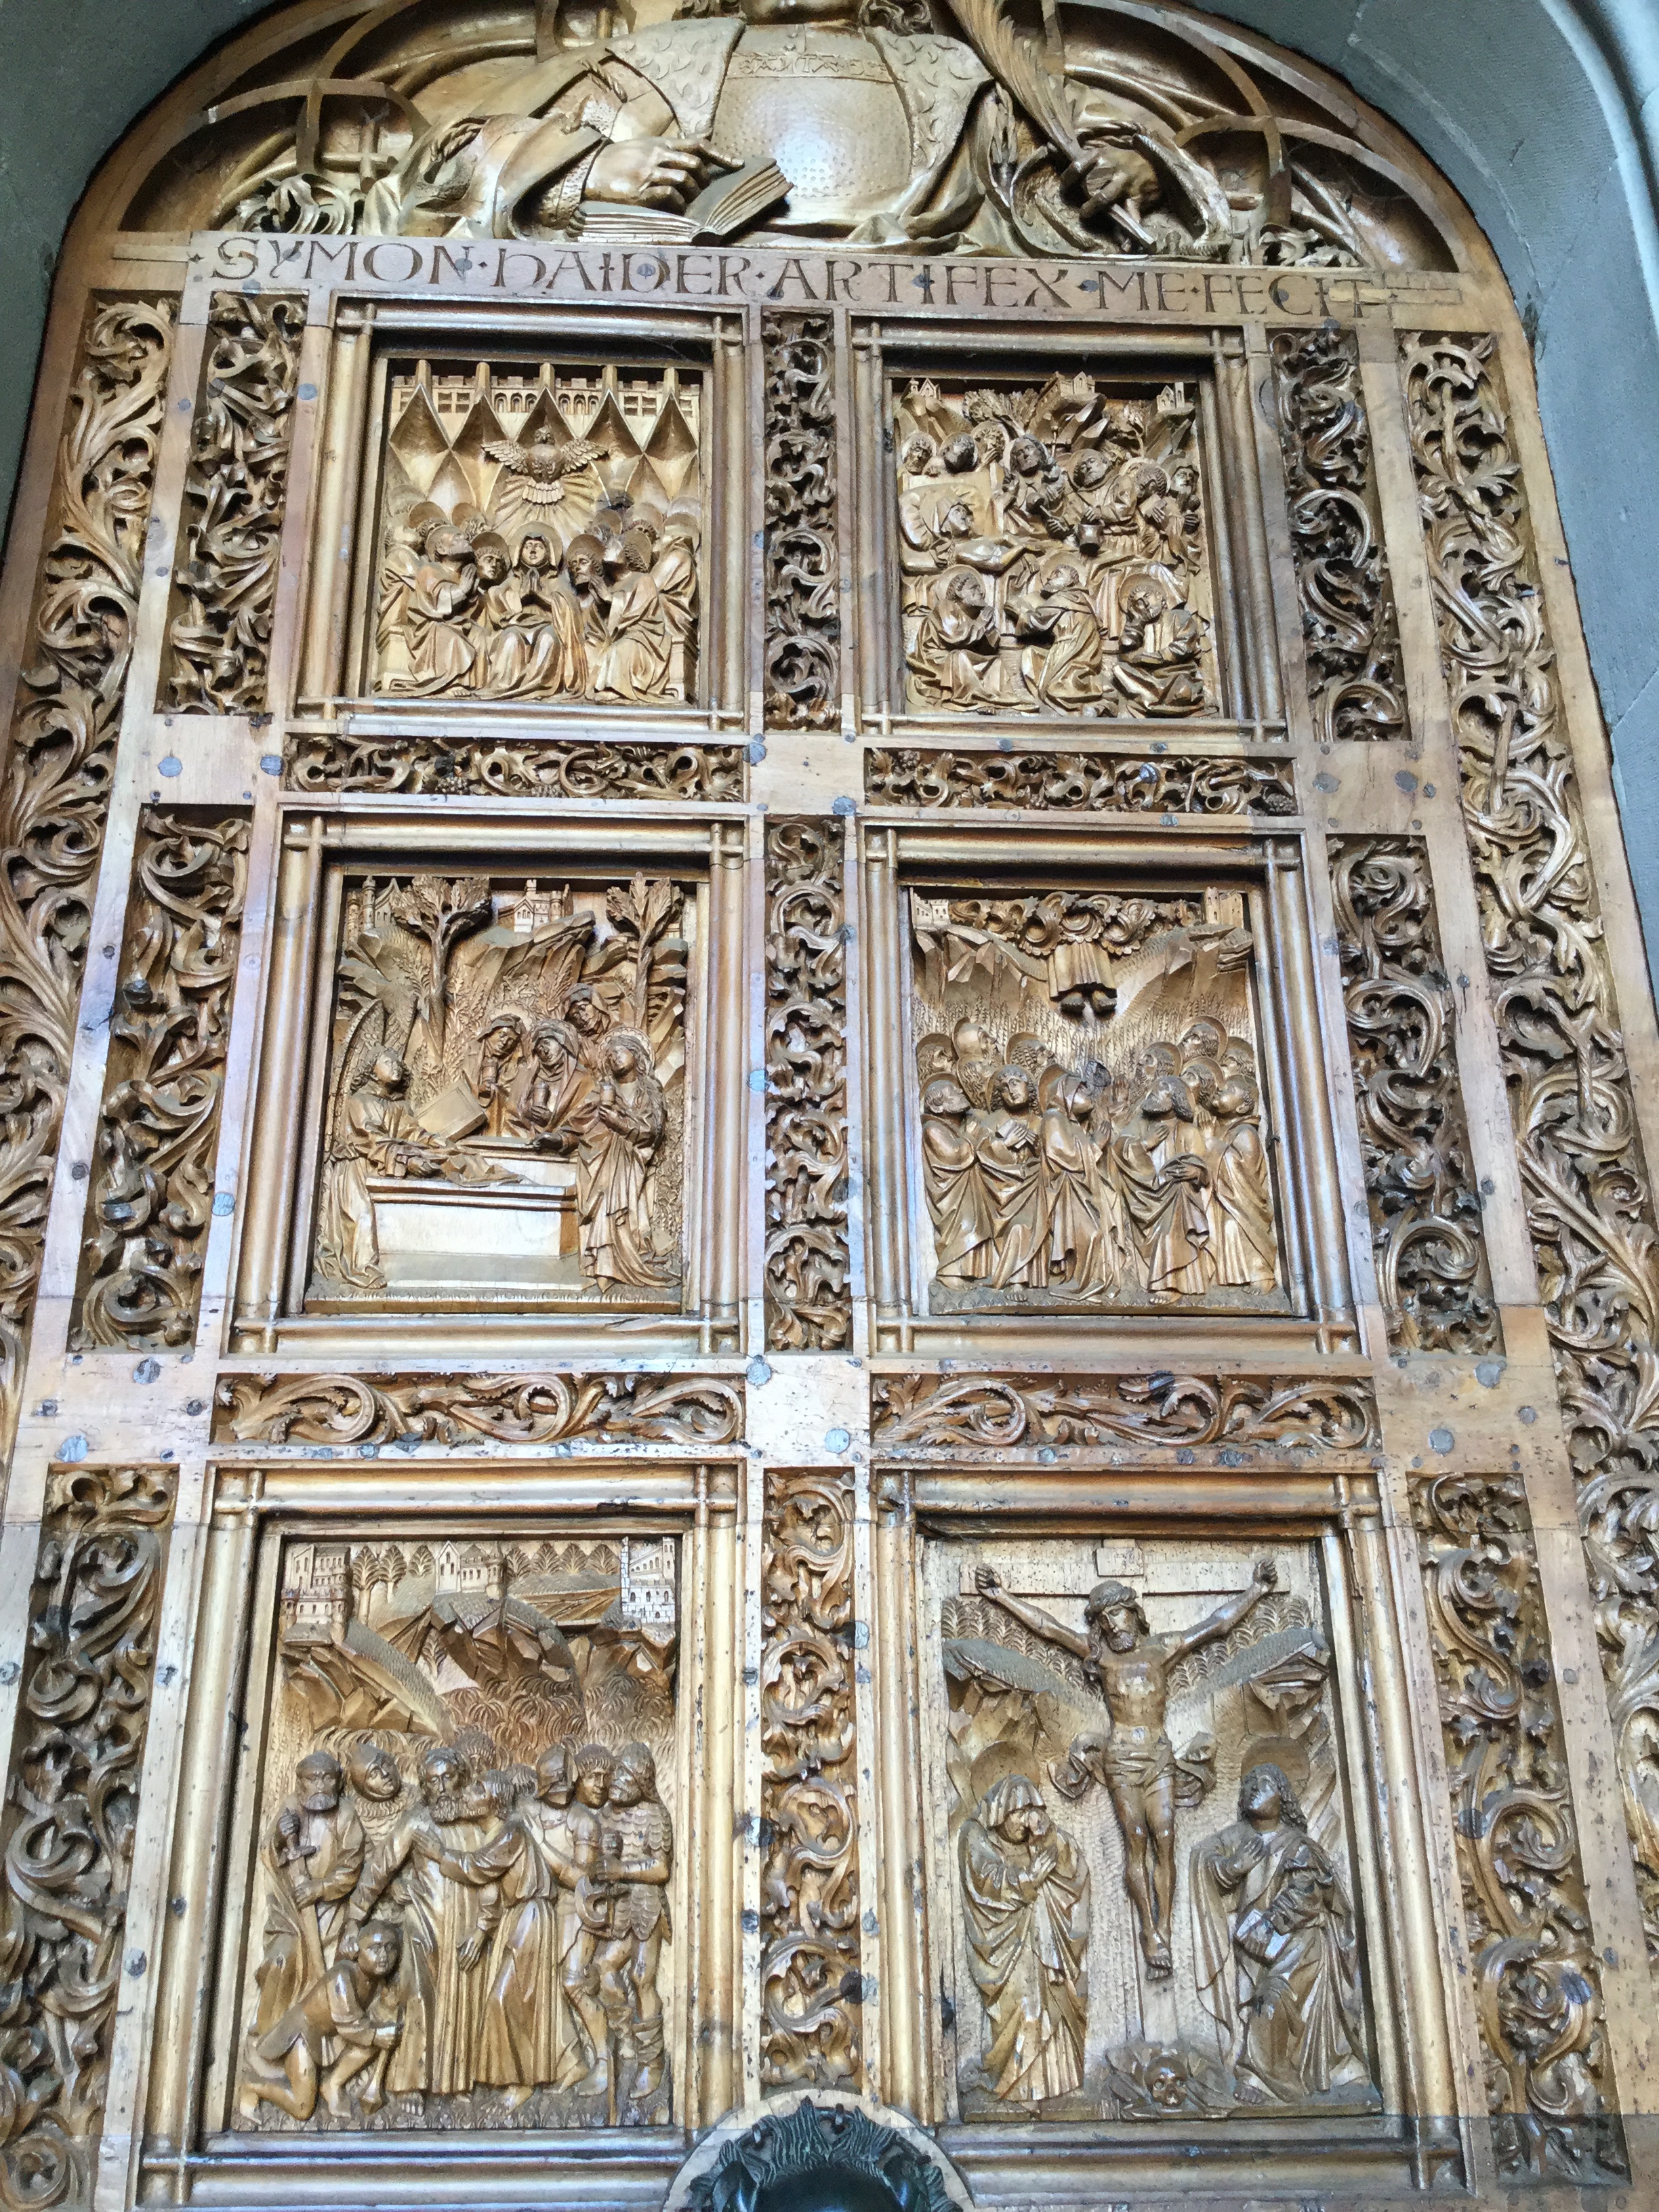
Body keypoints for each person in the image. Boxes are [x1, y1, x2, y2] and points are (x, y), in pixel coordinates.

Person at [974, 1559, 1277, 1980]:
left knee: (1165, 1839)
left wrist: (1257, 1591)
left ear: (1133, 1612)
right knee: (1137, 1841)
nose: (1112, 1626)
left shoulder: (1162, 1650)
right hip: (1120, 1760)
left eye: (1117, 1613)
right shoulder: (1100, 1657)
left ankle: (1165, 1929)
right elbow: (1048, 1628)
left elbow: (1217, 1625)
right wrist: (1001, 1596)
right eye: (1103, 1620)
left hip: (1158, 1757)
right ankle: (1148, 1931)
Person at [1191, 1763, 1369, 2103]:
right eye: (1249, 1785)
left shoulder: (1298, 1845)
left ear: (1283, 1798)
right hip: (1258, 1945)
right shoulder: (1238, 1837)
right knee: (1268, 1995)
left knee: (1272, 1997)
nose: (1253, 1790)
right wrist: (1231, 1867)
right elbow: (1203, 1855)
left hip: (1301, 1942)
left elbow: (1307, 1893)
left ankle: (1261, 2077)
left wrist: (1271, 1923)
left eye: (1265, 1784)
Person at [346, 1744, 495, 2097]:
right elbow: (380, 1868)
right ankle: (411, 2083)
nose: (442, 1788)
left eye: (448, 1778)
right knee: (417, 1995)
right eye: (433, 1781)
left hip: (466, 1926)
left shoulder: (478, 1821)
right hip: (424, 1923)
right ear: (424, 1787)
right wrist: (355, 1917)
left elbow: (494, 1876)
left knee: (465, 2001)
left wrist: (483, 1928)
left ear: (461, 1778)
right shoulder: (417, 1821)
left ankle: (458, 2081)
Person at [436, 1765, 586, 2108]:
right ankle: (570, 2062)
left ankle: (522, 2080)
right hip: (516, 1918)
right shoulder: (495, 1835)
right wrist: (482, 1931)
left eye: (477, 1790)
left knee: (506, 1999)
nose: (468, 1795)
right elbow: (491, 1890)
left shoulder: (512, 1832)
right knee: (528, 1998)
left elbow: (478, 1868)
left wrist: (439, 1853)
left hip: (530, 1917)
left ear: (494, 1800)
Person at [314, 1054, 511, 1292]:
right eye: (387, 1062)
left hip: (393, 1153)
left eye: (397, 1063)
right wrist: (407, 1159)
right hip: (361, 1163)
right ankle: (362, 1265)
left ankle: (487, 1180)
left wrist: (436, 1141)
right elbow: (371, 1139)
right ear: (372, 1071)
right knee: (360, 1215)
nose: (395, 1066)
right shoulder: (359, 1101)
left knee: (454, 1156)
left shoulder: (399, 1105)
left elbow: (412, 1133)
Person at [958, 1774, 1090, 2103]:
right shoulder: (975, 1834)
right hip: (1007, 1945)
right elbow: (985, 1879)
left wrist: (1046, 1832)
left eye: (1031, 1812)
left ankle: (1054, 2088)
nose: (1024, 1822)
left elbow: (1072, 1867)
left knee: (1052, 2006)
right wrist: (1028, 1878)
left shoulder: (1036, 1839)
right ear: (1000, 1810)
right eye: (1018, 1812)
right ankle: (1013, 2088)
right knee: (1025, 2007)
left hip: (1045, 1943)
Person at [239, 1921, 405, 2123]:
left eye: (390, 1948)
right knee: (302, 2108)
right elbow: (348, 2024)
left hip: (331, 2037)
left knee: (377, 2034)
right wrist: (378, 2035)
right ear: (357, 1950)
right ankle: (253, 2085)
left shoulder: (376, 1982)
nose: (384, 1956)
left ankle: (332, 2084)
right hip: (302, 2035)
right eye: (375, 1948)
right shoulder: (342, 1976)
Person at [251, 1751, 366, 2041]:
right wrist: (280, 1837)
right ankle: (269, 2030)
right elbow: (268, 1850)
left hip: (330, 1912)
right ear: (300, 1782)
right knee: (281, 1959)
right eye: (313, 1779)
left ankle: (316, 2027)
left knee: (329, 1969)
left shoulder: (345, 1814)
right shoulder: (292, 1806)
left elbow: (351, 1863)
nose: (321, 1785)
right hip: (291, 1912)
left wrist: (321, 1888)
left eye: (327, 1778)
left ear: (339, 1781)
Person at [591, 1743, 674, 2099]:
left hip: (646, 1906)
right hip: (618, 1907)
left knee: (642, 1977)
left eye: (626, 1776)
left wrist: (621, 1869)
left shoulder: (655, 1815)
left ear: (642, 1781)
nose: (617, 1782)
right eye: (616, 1774)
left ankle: (651, 2063)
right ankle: (625, 2037)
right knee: (603, 1968)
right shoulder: (604, 1816)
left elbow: (661, 1869)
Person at [575, 1035, 672, 1291]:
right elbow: (580, 1122)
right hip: (602, 1159)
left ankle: (621, 1262)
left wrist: (620, 1123)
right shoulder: (604, 1089)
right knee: (603, 1201)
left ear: (636, 1055)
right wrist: (562, 1138)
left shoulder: (649, 1088)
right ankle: (602, 1266)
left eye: (620, 1052)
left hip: (633, 1159)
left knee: (618, 1208)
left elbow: (653, 1129)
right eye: (610, 1056)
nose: (614, 1058)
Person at [920, 1076, 997, 1284]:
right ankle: (950, 1273)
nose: (961, 1092)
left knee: (978, 1227)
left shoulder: (958, 1126)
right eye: (953, 1093)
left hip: (970, 1189)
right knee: (966, 1226)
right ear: (937, 1107)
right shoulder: (933, 1129)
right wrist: (970, 1136)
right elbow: (954, 1155)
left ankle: (972, 1272)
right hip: (952, 1195)